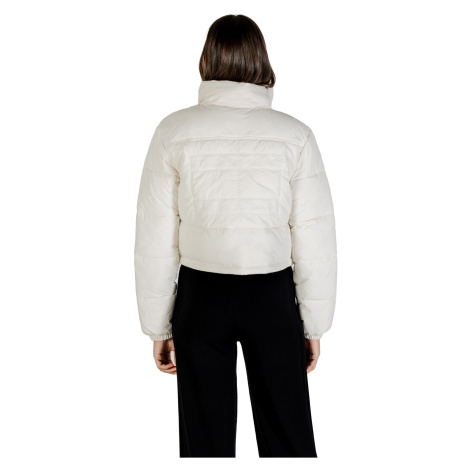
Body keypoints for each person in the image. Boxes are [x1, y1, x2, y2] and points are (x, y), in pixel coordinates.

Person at [133, 14, 337, 458]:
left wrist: (158, 326)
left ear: (207, 59)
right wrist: (314, 324)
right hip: (273, 298)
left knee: (204, 445)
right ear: (261, 60)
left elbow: (155, 237)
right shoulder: (295, 135)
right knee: (289, 439)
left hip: (201, 298)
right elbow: (314, 238)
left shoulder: (173, 131)